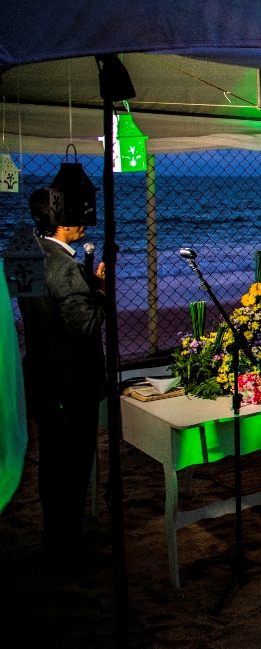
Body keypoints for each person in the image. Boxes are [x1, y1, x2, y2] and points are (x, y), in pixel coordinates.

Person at [18, 187, 106, 562]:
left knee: (52, 462)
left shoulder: (25, 250)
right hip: (73, 383)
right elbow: (83, 327)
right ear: (64, 222)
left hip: (42, 373)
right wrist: (98, 292)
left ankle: (53, 537)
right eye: (80, 214)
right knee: (72, 466)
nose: (85, 221)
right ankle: (67, 547)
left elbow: (46, 311)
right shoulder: (66, 267)